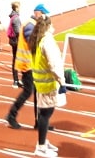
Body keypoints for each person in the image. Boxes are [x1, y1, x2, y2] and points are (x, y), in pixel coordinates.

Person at [5, 3, 50, 130]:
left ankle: (39, 121)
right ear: (38, 13)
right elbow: (33, 42)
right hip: (27, 65)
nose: (45, 17)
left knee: (37, 92)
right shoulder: (30, 25)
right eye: (43, 14)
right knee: (28, 92)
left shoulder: (33, 24)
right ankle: (11, 115)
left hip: (32, 64)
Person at [29, 14, 65, 157]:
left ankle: (43, 142)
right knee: (45, 115)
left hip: (40, 82)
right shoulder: (47, 41)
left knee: (45, 114)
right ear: (48, 26)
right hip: (48, 83)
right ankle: (41, 147)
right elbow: (53, 64)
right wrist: (61, 81)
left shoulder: (37, 39)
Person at [7, 1, 22, 88]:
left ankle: (16, 80)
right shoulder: (16, 18)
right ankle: (16, 80)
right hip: (16, 42)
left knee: (16, 60)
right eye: (19, 7)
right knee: (17, 60)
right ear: (16, 8)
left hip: (14, 41)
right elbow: (18, 31)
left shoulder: (13, 17)